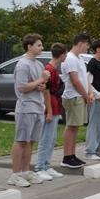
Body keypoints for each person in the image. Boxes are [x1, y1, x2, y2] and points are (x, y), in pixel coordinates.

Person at [9, 34, 47, 187]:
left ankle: (26, 171)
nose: (41, 48)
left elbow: (38, 85)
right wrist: (40, 80)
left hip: (38, 106)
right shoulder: (23, 64)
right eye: (38, 45)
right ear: (29, 46)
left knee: (31, 141)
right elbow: (22, 87)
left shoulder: (38, 64)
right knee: (21, 140)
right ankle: (15, 173)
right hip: (26, 107)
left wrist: (41, 85)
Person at [59, 33, 92, 169]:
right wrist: (85, 94)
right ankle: (67, 156)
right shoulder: (70, 58)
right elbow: (75, 80)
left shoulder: (79, 58)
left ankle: (72, 155)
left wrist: (89, 92)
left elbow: (84, 79)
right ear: (80, 43)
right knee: (71, 126)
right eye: (86, 45)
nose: (87, 48)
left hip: (80, 96)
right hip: (73, 96)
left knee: (75, 126)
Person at [35, 43, 66, 180]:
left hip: (55, 105)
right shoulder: (49, 69)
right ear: (62, 55)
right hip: (51, 105)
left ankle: (46, 165)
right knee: (46, 138)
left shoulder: (53, 69)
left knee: (51, 138)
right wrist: (49, 111)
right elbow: (46, 91)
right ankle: (40, 166)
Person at [84, 39, 100, 160]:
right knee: (95, 124)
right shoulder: (93, 63)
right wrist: (98, 95)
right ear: (98, 49)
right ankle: (90, 151)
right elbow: (88, 82)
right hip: (96, 98)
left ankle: (98, 150)